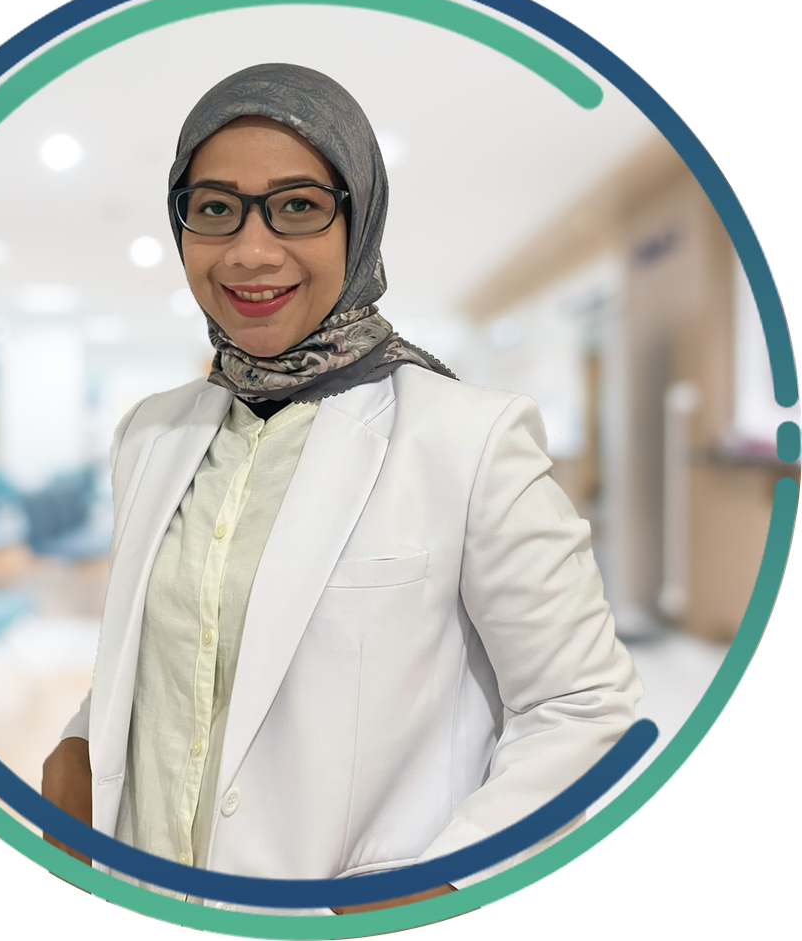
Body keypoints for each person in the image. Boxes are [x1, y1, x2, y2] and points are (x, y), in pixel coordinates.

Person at [42, 63, 643, 917]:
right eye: (214, 207)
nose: (251, 250)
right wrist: (80, 740)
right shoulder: (149, 432)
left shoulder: (468, 438)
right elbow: (174, 650)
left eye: (297, 205)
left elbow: (582, 705)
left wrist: (445, 880)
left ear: (359, 221)